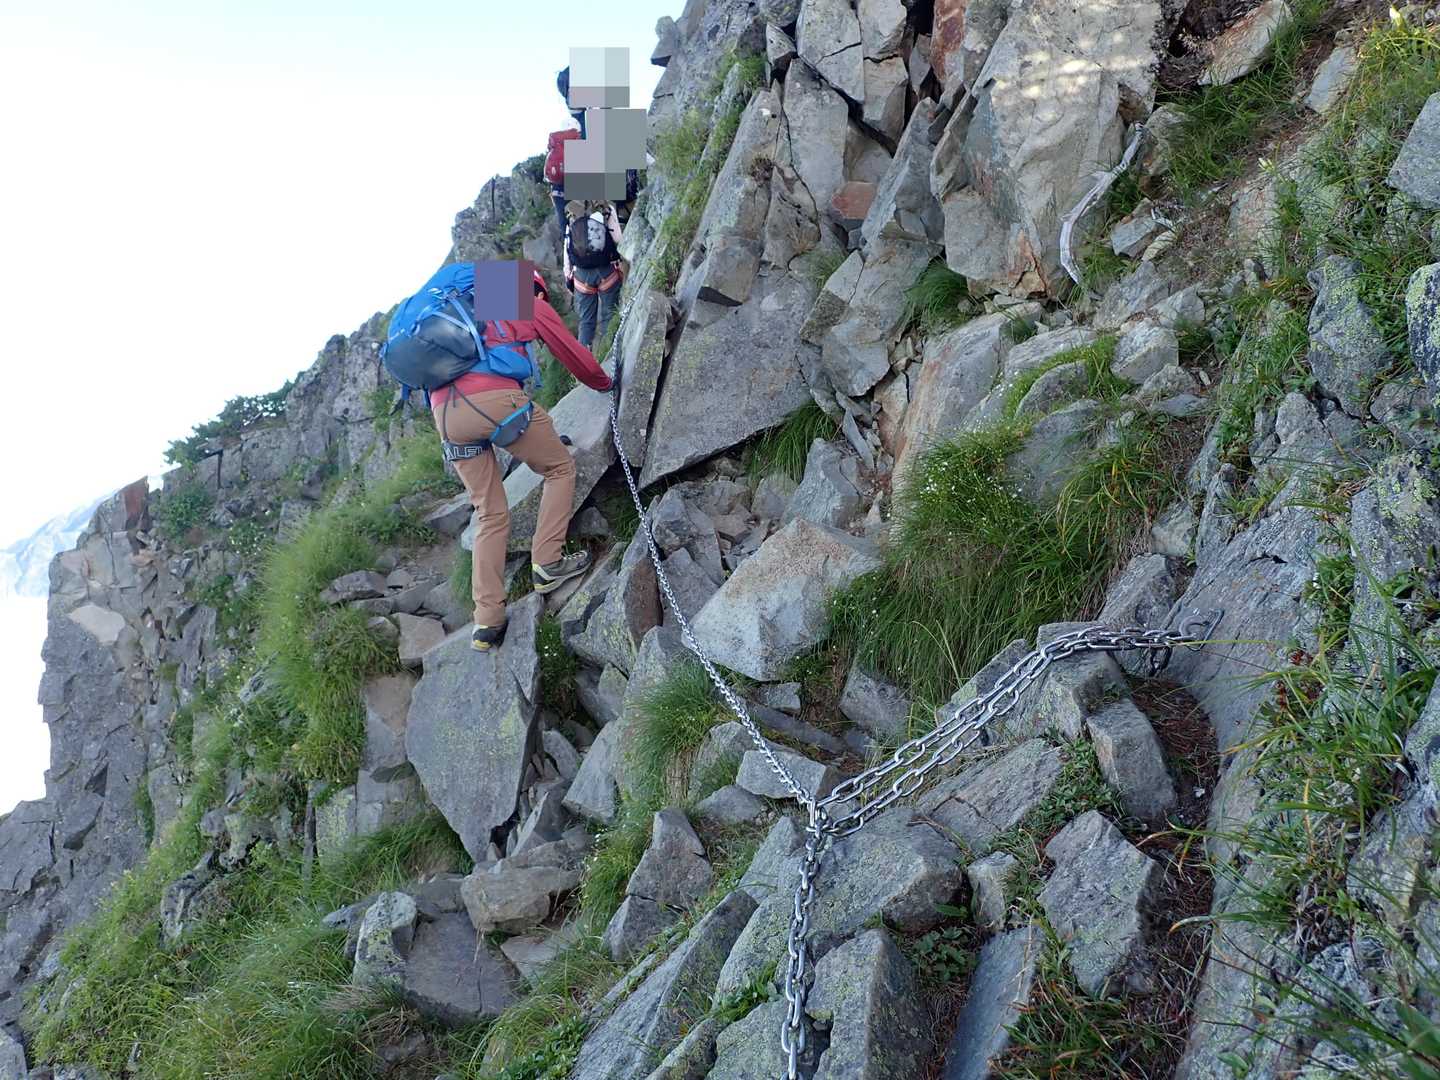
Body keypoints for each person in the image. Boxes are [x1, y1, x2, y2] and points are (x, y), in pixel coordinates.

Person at [431, 269, 612, 651]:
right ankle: (548, 563)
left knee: (489, 513)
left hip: (446, 417)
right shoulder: (528, 303)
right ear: (536, 290)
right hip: (494, 402)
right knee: (559, 468)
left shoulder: (461, 312)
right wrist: (604, 382)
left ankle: (487, 621)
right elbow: (572, 354)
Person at [564, 200, 625, 350]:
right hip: (606, 272)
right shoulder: (605, 208)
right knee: (609, 315)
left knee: (586, 321)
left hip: (582, 277)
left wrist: (568, 279)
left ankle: (583, 360)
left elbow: (567, 248)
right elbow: (618, 238)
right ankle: (608, 352)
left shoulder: (573, 213)